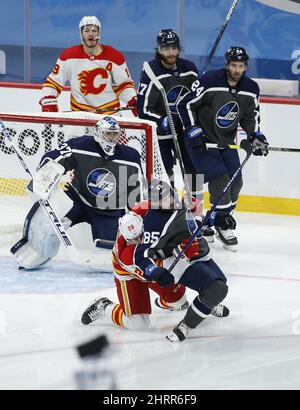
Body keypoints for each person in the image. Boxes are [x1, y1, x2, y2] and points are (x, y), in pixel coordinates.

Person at [81, 180, 229, 341]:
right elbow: (138, 261)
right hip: (129, 271)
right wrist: (155, 271)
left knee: (179, 301)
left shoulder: (156, 210)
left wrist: (213, 219)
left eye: (169, 196)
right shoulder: (135, 243)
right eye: (162, 200)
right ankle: (103, 307)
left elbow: (187, 217)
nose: (170, 201)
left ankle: (192, 304)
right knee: (138, 323)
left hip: (153, 260)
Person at [10, 116, 144, 269]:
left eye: (114, 134)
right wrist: (44, 176)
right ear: (98, 133)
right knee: (47, 220)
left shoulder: (130, 157)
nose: (111, 138)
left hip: (109, 210)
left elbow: (136, 192)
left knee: (108, 260)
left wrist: (136, 214)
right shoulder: (80, 145)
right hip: (77, 200)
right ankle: (34, 251)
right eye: (108, 134)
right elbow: (53, 157)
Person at [177, 46, 269, 251]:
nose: (237, 69)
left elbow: (250, 116)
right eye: (234, 65)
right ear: (227, 64)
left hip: (225, 142)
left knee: (236, 182)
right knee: (220, 179)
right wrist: (192, 128)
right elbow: (185, 105)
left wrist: (255, 135)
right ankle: (221, 224)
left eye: (241, 66)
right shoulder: (209, 81)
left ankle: (218, 219)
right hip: (201, 141)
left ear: (245, 67)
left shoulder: (251, 88)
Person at [137, 29, 202, 200]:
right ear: (158, 49)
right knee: (164, 172)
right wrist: (162, 121)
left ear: (179, 48)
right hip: (160, 134)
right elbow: (143, 109)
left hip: (183, 130)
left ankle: (196, 209)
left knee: (193, 168)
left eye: (174, 48)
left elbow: (198, 101)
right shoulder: (151, 71)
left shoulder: (190, 69)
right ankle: (170, 209)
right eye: (166, 48)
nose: (170, 53)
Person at [39, 16, 137, 116]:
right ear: (81, 34)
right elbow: (52, 83)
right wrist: (49, 99)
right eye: (86, 30)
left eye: (94, 30)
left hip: (110, 116)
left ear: (99, 33)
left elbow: (124, 86)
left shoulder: (114, 57)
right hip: (80, 116)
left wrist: (133, 100)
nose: (90, 34)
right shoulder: (69, 56)